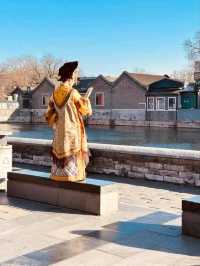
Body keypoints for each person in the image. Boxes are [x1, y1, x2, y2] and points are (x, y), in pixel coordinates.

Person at [45, 61, 92, 182]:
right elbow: (85, 110)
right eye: (76, 73)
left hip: (60, 134)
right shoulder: (73, 93)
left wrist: (59, 117)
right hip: (72, 133)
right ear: (71, 75)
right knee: (74, 154)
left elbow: (49, 115)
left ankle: (58, 175)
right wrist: (86, 99)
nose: (77, 76)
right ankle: (72, 176)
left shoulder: (54, 94)